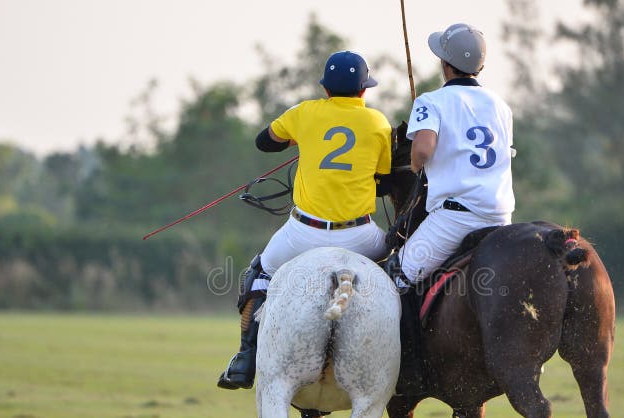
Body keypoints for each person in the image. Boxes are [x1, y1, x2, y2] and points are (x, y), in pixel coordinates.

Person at [218, 50, 393, 390]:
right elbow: (383, 180)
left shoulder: (305, 112)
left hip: (302, 234)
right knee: (402, 271)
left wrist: (299, 137)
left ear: (325, 88)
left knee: (259, 274)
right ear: (363, 90)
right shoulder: (378, 123)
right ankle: (408, 358)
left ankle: (244, 359)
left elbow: (264, 141)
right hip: (359, 237)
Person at [391, 22, 515, 289]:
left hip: (456, 219)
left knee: (393, 280)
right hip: (501, 219)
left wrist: (416, 165)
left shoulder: (431, 101)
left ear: (445, 64)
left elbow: (422, 150)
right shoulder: (501, 106)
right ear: (480, 67)